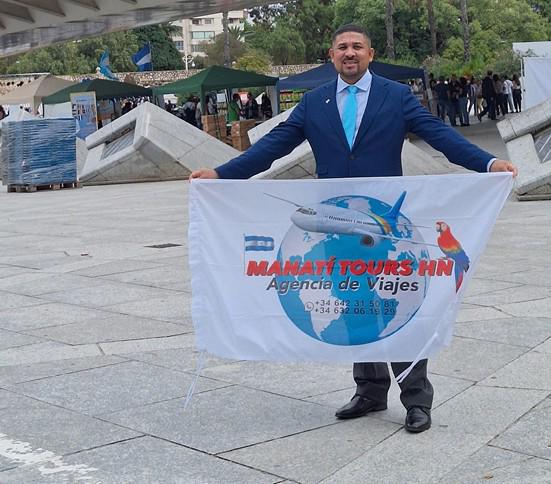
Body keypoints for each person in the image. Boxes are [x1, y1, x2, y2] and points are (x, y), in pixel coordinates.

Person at [191, 24, 517, 435]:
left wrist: (488, 164)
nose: (350, 53)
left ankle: (416, 399)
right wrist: (221, 175)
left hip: (385, 228)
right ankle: (370, 391)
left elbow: (439, 136)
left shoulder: (396, 96)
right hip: (337, 228)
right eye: (342, 47)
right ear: (331, 56)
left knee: (398, 304)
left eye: (357, 47)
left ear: (370, 54)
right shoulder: (314, 102)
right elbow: (273, 147)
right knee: (353, 304)